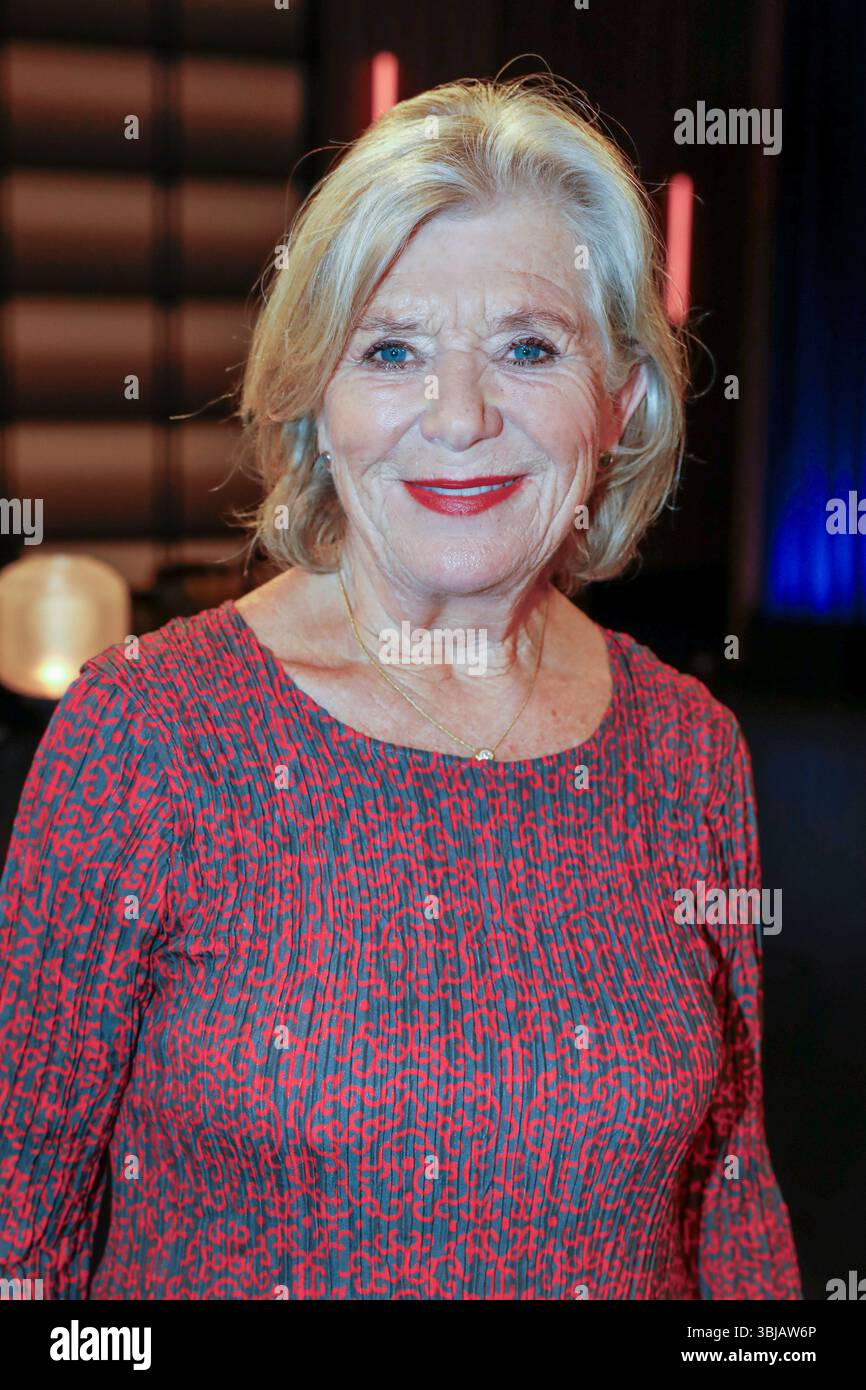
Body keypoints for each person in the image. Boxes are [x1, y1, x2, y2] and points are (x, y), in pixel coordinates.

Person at [0, 75, 801, 1299]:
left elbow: (729, 1194)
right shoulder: (150, 737)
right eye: (393, 350)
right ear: (321, 400)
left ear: (618, 398)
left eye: (528, 347)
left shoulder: (688, 746)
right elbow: (19, 1229)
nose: (462, 415)